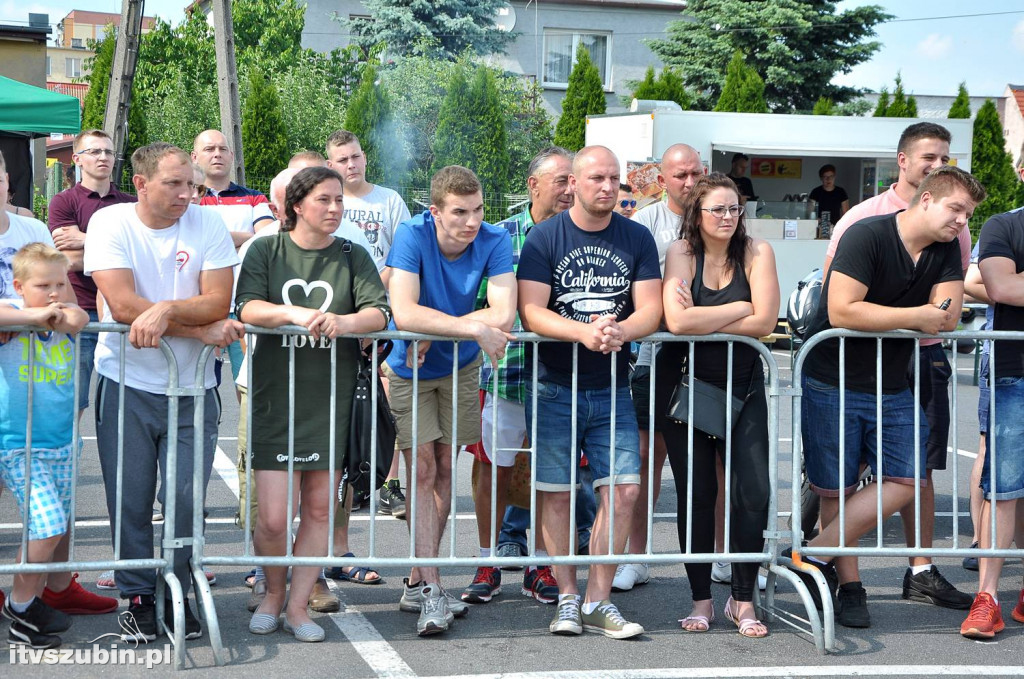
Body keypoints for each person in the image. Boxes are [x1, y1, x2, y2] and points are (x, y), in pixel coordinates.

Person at [790, 166, 985, 629]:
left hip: (893, 382)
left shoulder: (946, 251)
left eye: (968, 213)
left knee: (908, 479)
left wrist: (900, 316)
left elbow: (949, 317)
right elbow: (841, 309)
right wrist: (917, 314)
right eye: (955, 208)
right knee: (834, 487)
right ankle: (850, 588)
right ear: (926, 199)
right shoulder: (867, 234)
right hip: (832, 377)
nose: (962, 221)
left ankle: (814, 553)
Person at [84, 142, 244, 643]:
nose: (186, 194)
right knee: (130, 500)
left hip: (195, 387)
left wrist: (167, 312)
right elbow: (125, 304)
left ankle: (178, 587)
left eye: (191, 184)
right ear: (141, 184)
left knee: (184, 499)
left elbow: (219, 300)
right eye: (174, 184)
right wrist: (194, 327)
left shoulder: (206, 223)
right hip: (126, 382)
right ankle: (135, 594)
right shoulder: (111, 224)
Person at [236, 166, 390, 643]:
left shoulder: (352, 255)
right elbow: (246, 308)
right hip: (275, 399)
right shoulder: (267, 249)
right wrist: (293, 313)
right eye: (324, 200)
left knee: (320, 511)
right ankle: (273, 594)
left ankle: (299, 607)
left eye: (339, 201)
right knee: (274, 517)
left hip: (331, 400)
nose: (335, 209)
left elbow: (379, 312)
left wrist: (345, 324)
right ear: (297, 206)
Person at [518, 145, 662, 639]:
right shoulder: (545, 237)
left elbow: (651, 310)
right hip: (554, 385)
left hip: (613, 387)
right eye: (597, 177)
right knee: (555, 495)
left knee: (624, 491)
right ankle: (566, 598)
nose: (608, 186)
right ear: (574, 184)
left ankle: (599, 600)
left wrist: (622, 330)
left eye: (615, 178)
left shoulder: (636, 236)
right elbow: (530, 311)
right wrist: (581, 332)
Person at [384, 165, 516, 636]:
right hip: (410, 368)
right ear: (435, 211)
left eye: (478, 209)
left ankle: (419, 578)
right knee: (421, 469)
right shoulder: (411, 234)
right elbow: (403, 311)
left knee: (444, 470)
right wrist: (473, 328)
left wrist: (434, 327)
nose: (472, 221)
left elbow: (504, 311)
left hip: (459, 367)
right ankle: (434, 591)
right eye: (460, 212)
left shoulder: (496, 239)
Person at [460, 146, 583, 607]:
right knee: (493, 468)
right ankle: (488, 560)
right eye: (562, 181)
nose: (571, 190)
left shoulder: (584, 232)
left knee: (553, 475)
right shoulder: (498, 236)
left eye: (575, 181)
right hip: (506, 376)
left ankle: (542, 565)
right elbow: (472, 299)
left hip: (567, 377)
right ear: (533, 186)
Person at [660, 173, 778, 638]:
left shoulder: (757, 252)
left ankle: (742, 601)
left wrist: (704, 318)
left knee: (754, 493)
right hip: (688, 388)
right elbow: (676, 320)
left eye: (735, 209)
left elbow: (767, 319)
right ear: (697, 213)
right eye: (718, 209)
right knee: (697, 495)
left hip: (744, 386)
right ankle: (701, 600)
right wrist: (739, 307)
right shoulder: (681, 253)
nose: (728, 217)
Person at [615, 143, 703, 592]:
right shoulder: (645, 224)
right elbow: (639, 297)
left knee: (715, 460)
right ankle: (637, 555)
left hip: (709, 359)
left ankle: (717, 554)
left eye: (695, 173)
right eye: (680, 175)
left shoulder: (720, 216)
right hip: (653, 359)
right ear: (662, 179)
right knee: (647, 458)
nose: (689, 182)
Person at [0, 244, 89, 649]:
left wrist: (60, 311)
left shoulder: (64, 318)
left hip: (63, 444)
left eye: (60, 283)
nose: (54, 292)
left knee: (49, 531)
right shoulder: (10, 316)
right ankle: (19, 605)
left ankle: (26, 613)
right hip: (19, 444)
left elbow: (80, 316)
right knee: (48, 523)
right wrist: (34, 316)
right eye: (43, 285)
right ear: (19, 286)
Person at [325, 129, 412, 515]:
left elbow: (401, 255)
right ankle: (353, 478)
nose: (351, 164)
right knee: (349, 402)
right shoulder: (329, 204)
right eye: (343, 160)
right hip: (343, 316)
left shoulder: (389, 200)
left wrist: (372, 296)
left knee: (384, 402)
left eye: (356, 157)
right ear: (331, 165)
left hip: (381, 315)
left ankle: (388, 482)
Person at [961, 203, 1024, 638]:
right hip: (1014, 371)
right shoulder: (1006, 225)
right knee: (1003, 486)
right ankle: (987, 598)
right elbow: (1000, 287)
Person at [192, 130, 273, 390]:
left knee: (247, 387)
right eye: (209, 149)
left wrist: (214, 237)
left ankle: (246, 433)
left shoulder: (255, 197)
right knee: (198, 388)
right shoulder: (187, 199)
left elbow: (266, 239)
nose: (217, 154)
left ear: (232, 155)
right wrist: (242, 237)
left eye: (222, 149)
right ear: (194, 156)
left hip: (245, 305)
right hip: (200, 307)